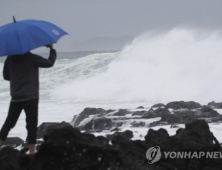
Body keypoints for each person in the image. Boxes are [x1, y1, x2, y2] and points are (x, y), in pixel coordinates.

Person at [0, 44, 56, 154]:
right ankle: (31, 153)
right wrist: (51, 49)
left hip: (16, 97)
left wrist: (18, 78)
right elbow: (50, 63)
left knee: (8, 124)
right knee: (31, 125)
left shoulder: (10, 59)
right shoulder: (31, 58)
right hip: (31, 97)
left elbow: (6, 76)